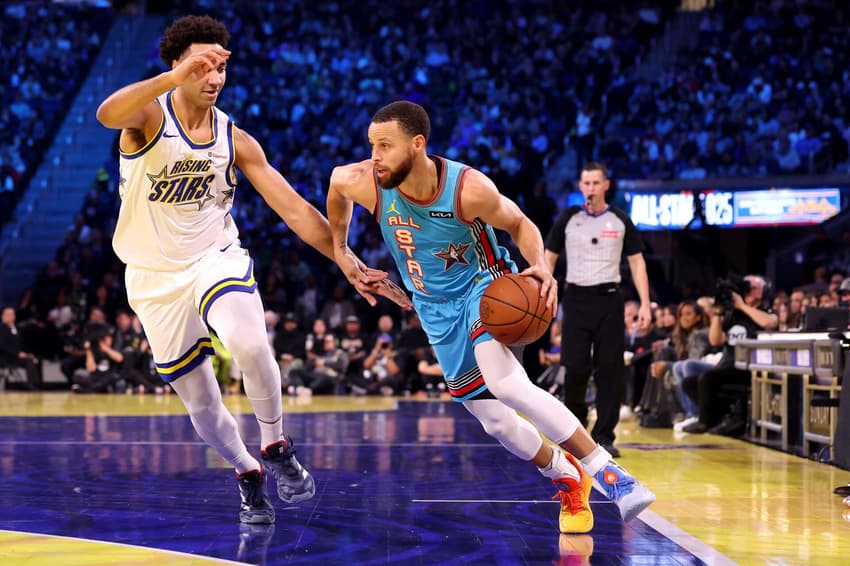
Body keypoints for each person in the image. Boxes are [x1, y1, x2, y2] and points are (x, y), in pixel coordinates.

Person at [95, 15, 410, 525]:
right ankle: (247, 472)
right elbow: (106, 113)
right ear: (176, 66)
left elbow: (293, 208)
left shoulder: (233, 138)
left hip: (215, 257)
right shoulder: (149, 117)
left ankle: (276, 443)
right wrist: (173, 77)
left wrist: (345, 257)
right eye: (201, 66)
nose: (213, 76)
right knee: (201, 402)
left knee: (249, 342)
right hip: (152, 278)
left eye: (219, 66)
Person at [326, 100, 654, 534]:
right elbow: (335, 187)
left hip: (485, 287)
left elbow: (520, 224)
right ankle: (566, 474)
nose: (375, 156)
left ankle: (609, 472)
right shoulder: (363, 181)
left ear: (417, 144)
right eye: (372, 145)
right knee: (496, 421)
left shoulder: (468, 188)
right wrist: (342, 251)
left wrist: (540, 266)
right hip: (433, 309)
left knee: (506, 384)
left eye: (385, 146)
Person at [544, 162, 652, 458]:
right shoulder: (568, 218)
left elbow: (637, 263)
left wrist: (644, 303)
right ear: (580, 186)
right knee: (574, 367)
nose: (590, 188)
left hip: (609, 299)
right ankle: (576, 430)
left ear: (606, 185)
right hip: (576, 299)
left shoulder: (620, 220)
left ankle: (604, 436)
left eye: (595, 183)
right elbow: (549, 256)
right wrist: (545, 288)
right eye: (586, 183)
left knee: (610, 370)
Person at [681, 275, 778, 435]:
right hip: (728, 365)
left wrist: (742, 305)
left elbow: (770, 322)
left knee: (707, 378)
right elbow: (715, 340)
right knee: (689, 382)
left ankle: (704, 422)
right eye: (747, 287)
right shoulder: (733, 315)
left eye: (753, 287)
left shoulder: (765, 311)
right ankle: (719, 417)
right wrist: (717, 314)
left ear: (764, 291)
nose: (749, 290)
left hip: (749, 367)